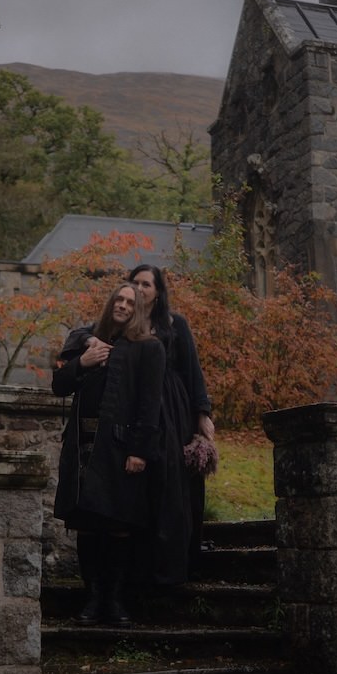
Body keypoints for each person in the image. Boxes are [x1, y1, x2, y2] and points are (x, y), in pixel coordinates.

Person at [52, 283, 166, 626]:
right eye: (118, 299)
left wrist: (140, 451)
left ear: (137, 309)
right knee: (86, 524)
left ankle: (114, 601)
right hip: (83, 447)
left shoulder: (149, 348)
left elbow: (150, 404)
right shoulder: (90, 340)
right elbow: (59, 385)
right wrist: (83, 362)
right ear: (110, 303)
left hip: (120, 449)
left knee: (118, 524)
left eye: (130, 302)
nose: (123, 305)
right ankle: (92, 599)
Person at [127, 264, 216, 581]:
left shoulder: (175, 323)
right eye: (135, 283)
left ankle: (176, 564)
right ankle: (141, 566)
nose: (140, 289)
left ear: (158, 291)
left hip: (174, 409)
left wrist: (202, 413)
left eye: (146, 284)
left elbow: (192, 369)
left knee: (173, 481)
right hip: (137, 406)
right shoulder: (126, 322)